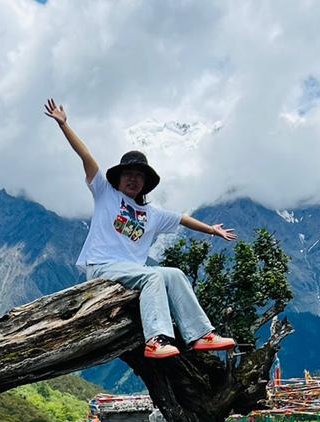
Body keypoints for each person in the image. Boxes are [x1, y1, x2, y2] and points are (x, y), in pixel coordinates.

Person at [45, 98, 237, 360]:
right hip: (102, 265)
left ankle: (201, 334)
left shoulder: (152, 214)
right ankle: (156, 339)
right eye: (128, 174)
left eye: (139, 176)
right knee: (153, 277)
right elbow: (86, 157)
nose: (133, 179)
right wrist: (64, 125)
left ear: (145, 183)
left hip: (130, 270)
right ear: (119, 178)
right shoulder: (105, 193)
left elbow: (182, 218)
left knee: (175, 274)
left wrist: (212, 230)